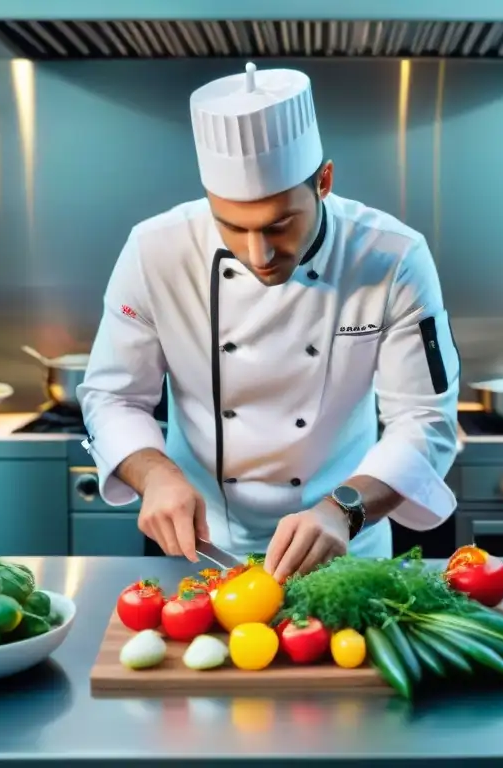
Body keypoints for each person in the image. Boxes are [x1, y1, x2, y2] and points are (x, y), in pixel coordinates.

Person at [77, 62, 460, 581]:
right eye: (231, 226)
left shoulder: (393, 258)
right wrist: (156, 474)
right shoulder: (154, 252)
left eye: (280, 225)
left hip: (343, 546)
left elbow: (425, 419)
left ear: (324, 181)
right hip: (199, 547)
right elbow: (113, 396)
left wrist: (343, 509)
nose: (258, 254)